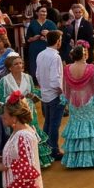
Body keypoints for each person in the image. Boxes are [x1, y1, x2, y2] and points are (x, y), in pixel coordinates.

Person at [60, 43, 94, 168]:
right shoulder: (91, 68)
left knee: (76, 127)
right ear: (83, 55)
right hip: (89, 101)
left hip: (74, 101)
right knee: (92, 127)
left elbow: (65, 87)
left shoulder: (67, 69)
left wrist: (67, 99)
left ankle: (76, 161)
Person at [0, 55, 52, 168]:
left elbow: (33, 92)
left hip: (28, 110)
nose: (19, 65)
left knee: (31, 131)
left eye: (21, 63)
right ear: (10, 68)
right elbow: (0, 99)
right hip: (13, 112)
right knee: (16, 133)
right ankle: (18, 160)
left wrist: (33, 95)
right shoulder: (4, 80)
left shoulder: (28, 77)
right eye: (16, 64)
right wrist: (12, 99)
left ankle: (36, 160)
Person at [35, 31, 65, 162]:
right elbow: (55, 79)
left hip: (44, 94)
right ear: (58, 41)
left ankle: (46, 148)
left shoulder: (41, 54)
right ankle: (54, 150)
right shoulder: (55, 57)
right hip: (54, 94)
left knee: (47, 123)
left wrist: (44, 88)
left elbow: (37, 75)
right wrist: (61, 92)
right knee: (54, 124)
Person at [25, 6, 56, 79]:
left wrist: (49, 33)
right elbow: (28, 39)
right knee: (35, 65)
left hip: (47, 47)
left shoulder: (51, 23)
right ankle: (36, 81)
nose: (44, 13)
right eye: (42, 11)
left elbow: (58, 36)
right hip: (35, 48)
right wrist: (33, 38)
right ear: (37, 13)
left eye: (45, 11)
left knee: (47, 65)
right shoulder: (32, 23)